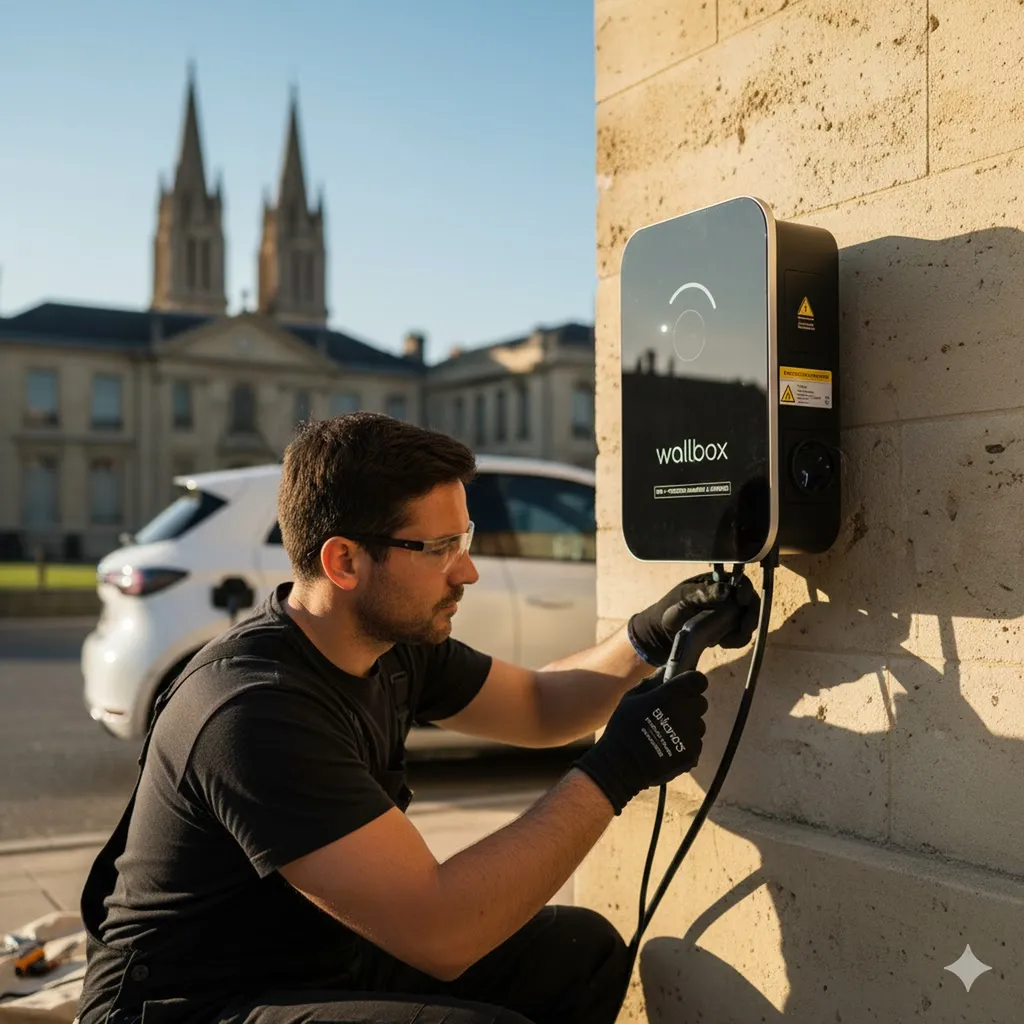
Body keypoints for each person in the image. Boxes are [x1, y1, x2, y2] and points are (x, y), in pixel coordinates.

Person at [77, 413, 759, 1024]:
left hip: (316, 956)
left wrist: (647, 635)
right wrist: (619, 766)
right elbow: (443, 932)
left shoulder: (392, 647)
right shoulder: (251, 711)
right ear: (344, 561)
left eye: (464, 539)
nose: (468, 573)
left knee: (581, 955)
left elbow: (541, 706)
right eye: (439, 550)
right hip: (191, 1004)